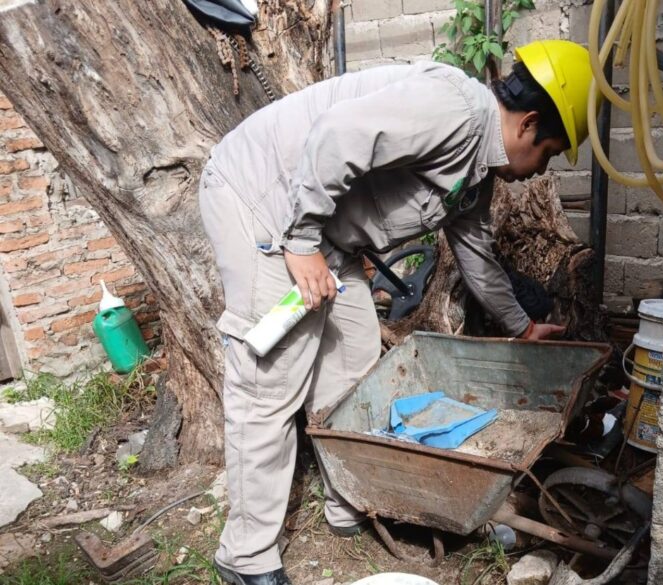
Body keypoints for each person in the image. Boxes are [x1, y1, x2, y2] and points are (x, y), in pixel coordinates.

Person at [199, 39, 593, 585]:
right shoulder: (452, 109)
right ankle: (245, 557)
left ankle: (347, 498)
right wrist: (302, 239)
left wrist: (522, 326)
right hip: (266, 206)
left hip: (322, 229)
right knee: (270, 376)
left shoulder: (477, 171)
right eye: (548, 153)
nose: (539, 170)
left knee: (356, 357)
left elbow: (477, 256)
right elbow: (338, 137)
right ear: (527, 125)